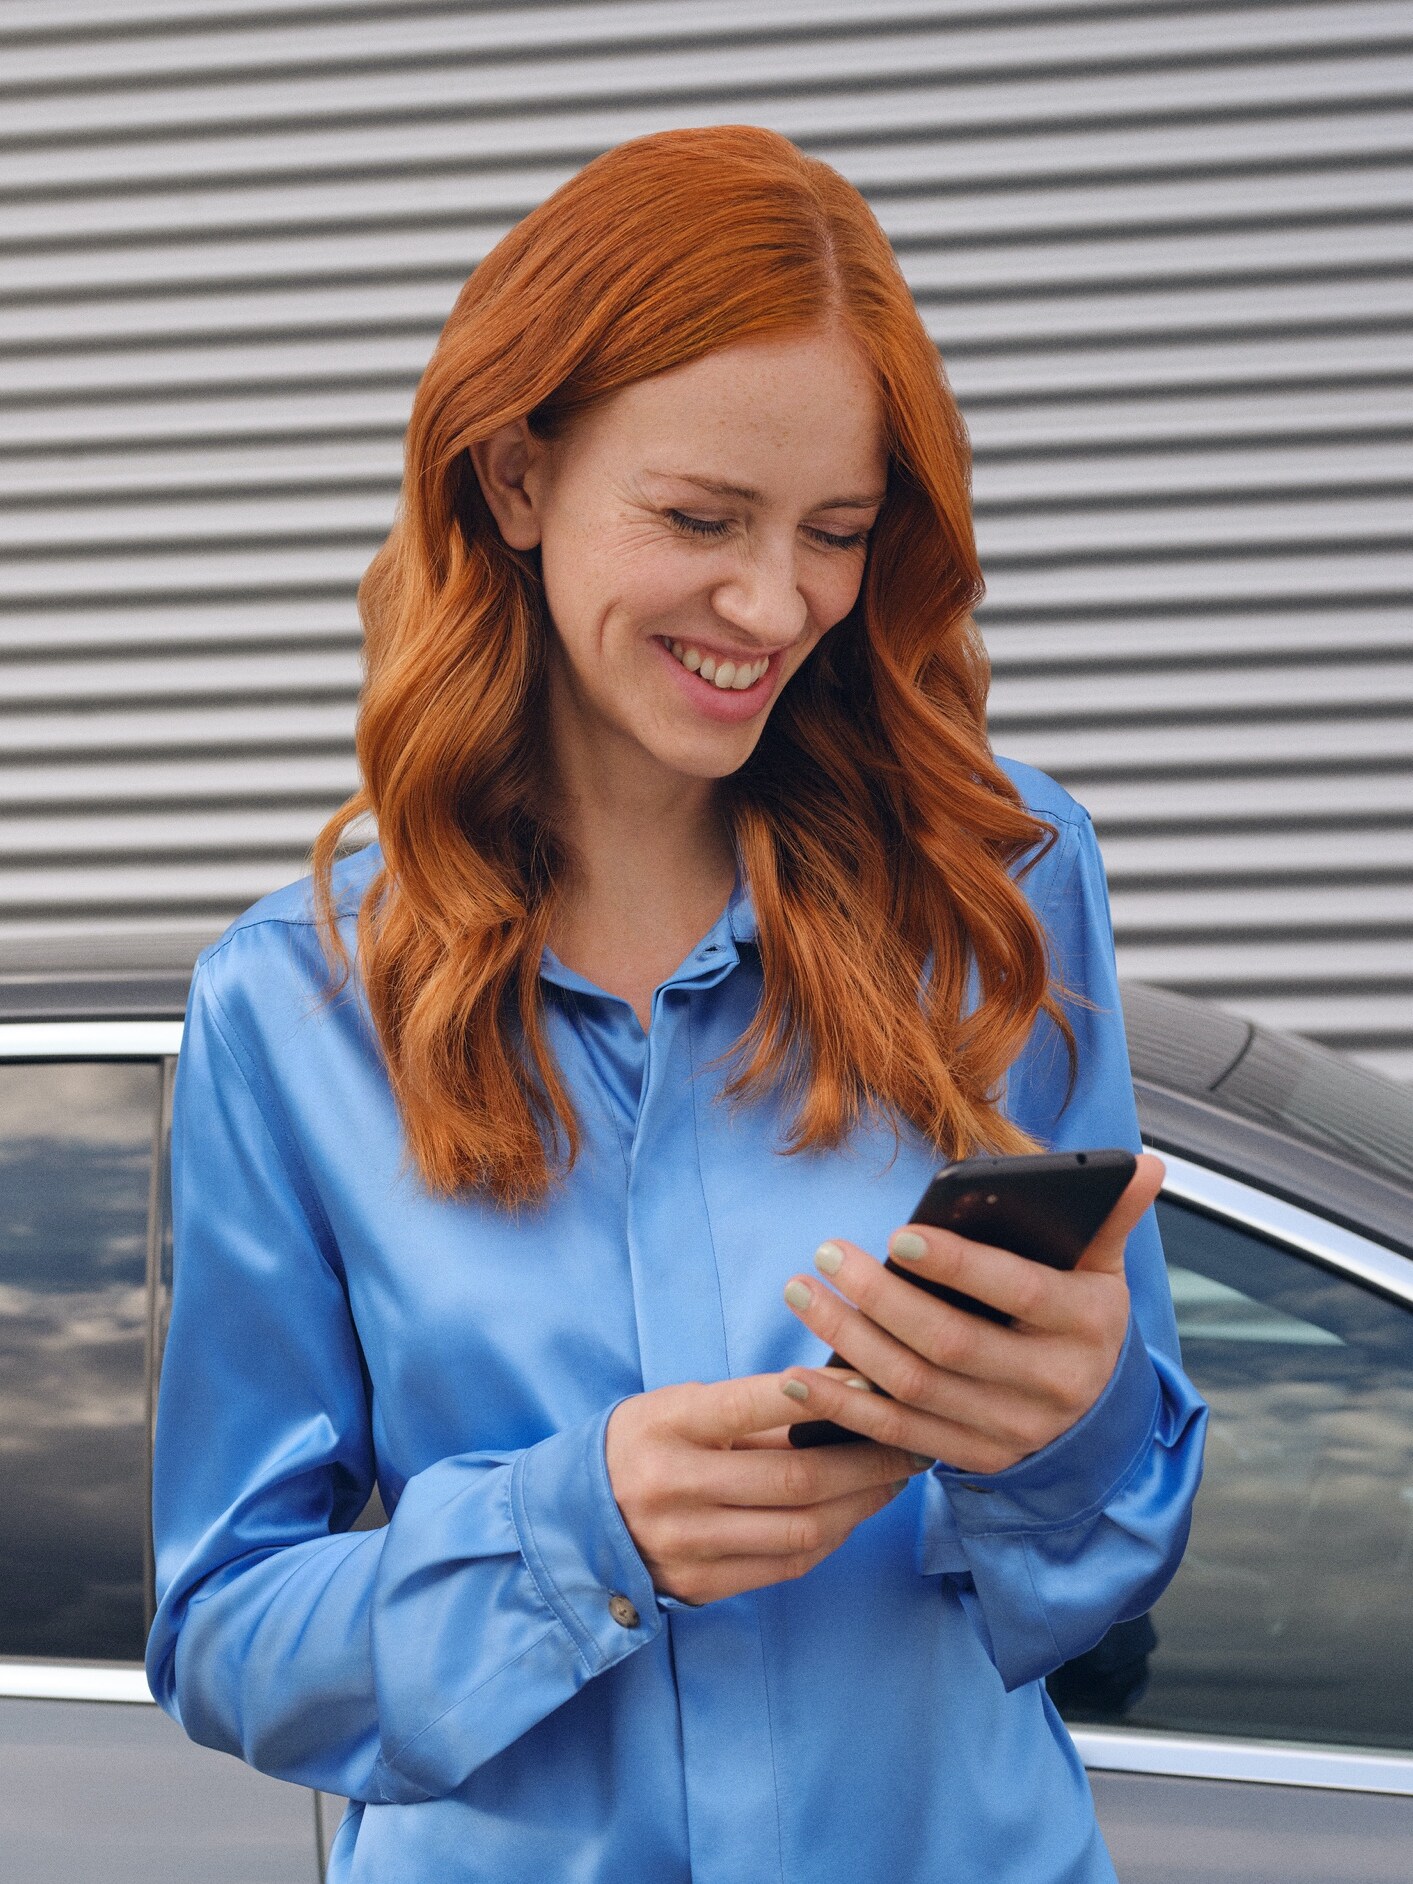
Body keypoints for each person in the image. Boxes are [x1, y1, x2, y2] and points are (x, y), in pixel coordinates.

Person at [145, 124, 1207, 1884]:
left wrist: (1070, 1429)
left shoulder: (997, 896)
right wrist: (581, 1528)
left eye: (837, 532)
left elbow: (1100, 1563)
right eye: (700, 518)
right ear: (511, 480)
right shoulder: (290, 1011)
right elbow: (229, 1637)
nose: (774, 603)